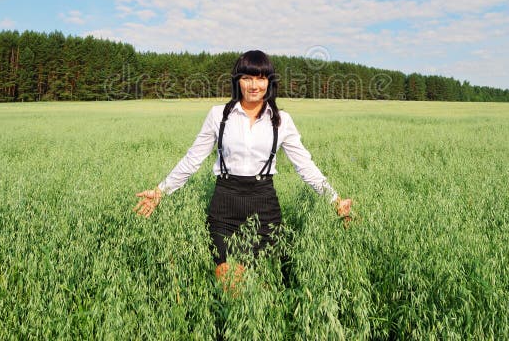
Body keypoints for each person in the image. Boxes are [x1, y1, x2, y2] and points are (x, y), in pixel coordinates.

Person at [134, 50, 352, 288]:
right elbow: (192, 159)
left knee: (262, 286)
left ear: (269, 82)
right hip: (225, 206)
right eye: (247, 77)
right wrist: (160, 192)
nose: (254, 85)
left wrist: (335, 200)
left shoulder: (282, 120)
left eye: (261, 78)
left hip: (264, 207)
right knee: (229, 281)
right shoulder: (219, 115)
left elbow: (305, 166)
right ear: (237, 80)